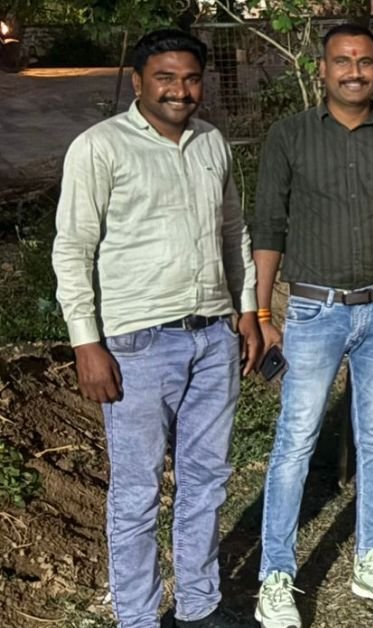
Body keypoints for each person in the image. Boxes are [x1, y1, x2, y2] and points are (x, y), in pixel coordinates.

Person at [52, 29, 261, 628]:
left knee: (206, 481)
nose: (180, 90)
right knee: (137, 493)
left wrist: (247, 311)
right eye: (165, 78)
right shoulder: (101, 147)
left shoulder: (211, 142)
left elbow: (233, 233)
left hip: (213, 337)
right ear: (139, 81)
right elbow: (73, 249)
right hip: (137, 345)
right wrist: (86, 343)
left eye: (190, 78)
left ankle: (198, 607)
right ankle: (139, 618)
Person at [250, 23, 373, 626]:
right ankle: (276, 576)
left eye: (364, 61)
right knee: (295, 441)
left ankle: (370, 560)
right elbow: (268, 226)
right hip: (314, 311)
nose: (354, 71)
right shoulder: (290, 137)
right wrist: (261, 313)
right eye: (342, 61)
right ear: (323, 68)